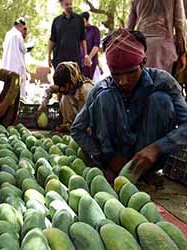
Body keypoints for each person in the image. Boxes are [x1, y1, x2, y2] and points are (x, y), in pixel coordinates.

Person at [71, 29, 187, 186]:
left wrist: (156, 148)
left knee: (161, 100)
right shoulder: (101, 88)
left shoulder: (163, 81)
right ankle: (111, 167)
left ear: (143, 62)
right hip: (112, 160)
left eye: (131, 73)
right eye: (116, 74)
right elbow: (77, 129)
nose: (123, 81)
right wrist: (103, 157)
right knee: (104, 97)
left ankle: (146, 172)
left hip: (148, 159)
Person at [127, 0, 186, 74]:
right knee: (163, 84)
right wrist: (182, 52)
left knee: (145, 85)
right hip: (165, 50)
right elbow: (179, 23)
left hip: (141, 49)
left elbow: (129, 29)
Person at [38, 62, 93, 132]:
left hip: (86, 131)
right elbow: (49, 90)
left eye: (63, 86)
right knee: (65, 96)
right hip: (72, 129)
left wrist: (68, 127)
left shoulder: (85, 92)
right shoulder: (66, 87)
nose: (61, 89)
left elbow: (86, 122)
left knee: (65, 98)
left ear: (72, 81)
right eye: (60, 86)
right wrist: (43, 105)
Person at [48, 0, 91, 70]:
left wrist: (86, 55)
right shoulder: (56, 21)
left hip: (75, 59)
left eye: (71, 4)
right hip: (59, 59)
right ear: (62, 5)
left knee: (76, 81)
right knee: (60, 81)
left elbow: (83, 39)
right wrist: (48, 57)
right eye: (67, 4)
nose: (69, 6)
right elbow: (52, 40)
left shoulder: (79, 19)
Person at [2, 17, 27, 97]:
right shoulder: (18, 35)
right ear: (20, 25)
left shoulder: (8, 34)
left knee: (9, 87)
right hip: (17, 64)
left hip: (7, 66)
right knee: (19, 87)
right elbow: (23, 49)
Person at [80, 12, 101, 81]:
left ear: (87, 20)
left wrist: (89, 57)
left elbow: (96, 46)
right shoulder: (80, 33)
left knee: (95, 86)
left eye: (83, 21)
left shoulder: (94, 30)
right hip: (82, 66)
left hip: (93, 64)